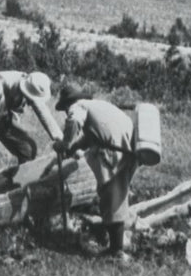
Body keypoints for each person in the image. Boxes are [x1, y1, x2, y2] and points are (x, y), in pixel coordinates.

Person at [53, 81, 139, 261]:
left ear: (69, 103)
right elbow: (93, 135)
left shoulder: (77, 107)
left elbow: (74, 120)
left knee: (111, 198)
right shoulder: (97, 106)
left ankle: (117, 252)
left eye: (65, 108)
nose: (65, 111)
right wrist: (73, 147)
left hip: (115, 152)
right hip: (129, 150)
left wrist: (65, 144)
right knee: (116, 197)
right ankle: (116, 246)